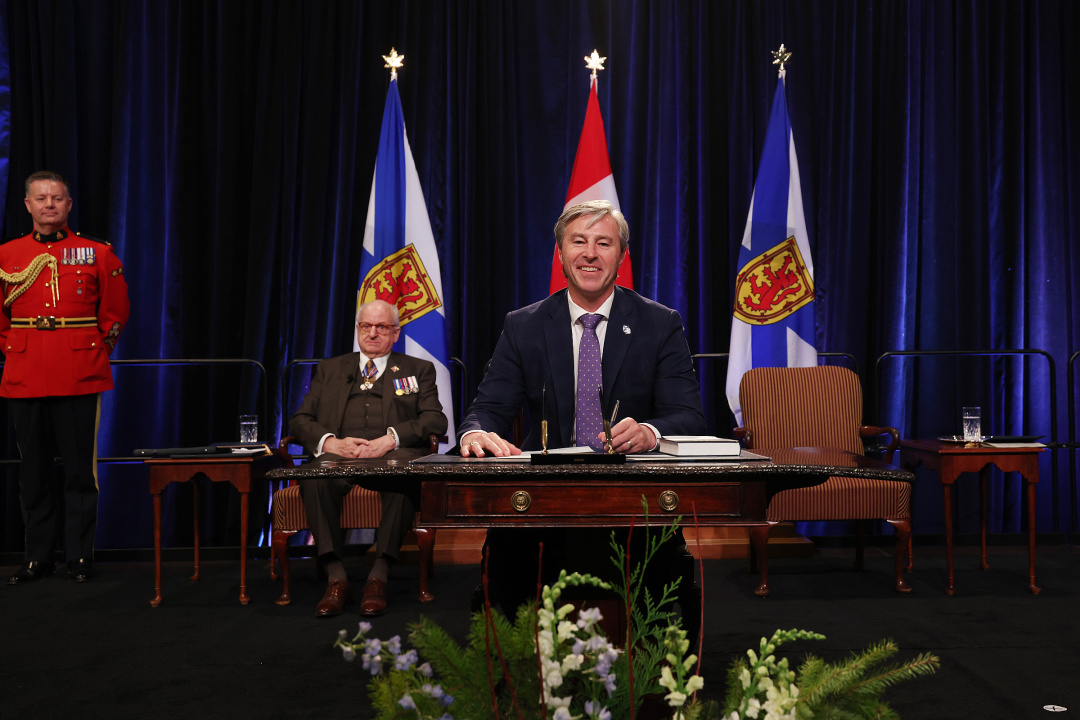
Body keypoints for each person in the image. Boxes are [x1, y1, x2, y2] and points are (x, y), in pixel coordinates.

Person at [458, 199, 707, 612]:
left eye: (603, 243)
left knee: (661, 586)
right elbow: (489, 407)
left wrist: (649, 432)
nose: (590, 253)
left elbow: (690, 417)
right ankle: (522, 671)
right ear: (560, 255)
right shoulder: (523, 325)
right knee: (506, 566)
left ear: (621, 257)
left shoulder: (660, 323)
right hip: (545, 502)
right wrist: (476, 432)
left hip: (634, 502)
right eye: (578, 242)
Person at [1, 171, 130, 585]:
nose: (49, 204)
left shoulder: (96, 253)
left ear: (69, 204)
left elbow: (114, 313)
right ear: (28, 205)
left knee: (79, 471)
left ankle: (79, 557)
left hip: (79, 372)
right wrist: (14, 351)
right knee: (32, 471)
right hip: (25, 372)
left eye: (57, 197)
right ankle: (38, 557)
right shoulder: (7, 255)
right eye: (41, 198)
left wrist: (93, 354)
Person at [289, 299, 447, 617]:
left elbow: (435, 421)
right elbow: (300, 420)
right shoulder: (330, 369)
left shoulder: (419, 369)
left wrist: (391, 439)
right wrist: (330, 441)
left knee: (404, 479)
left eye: (381, 327)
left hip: (392, 457)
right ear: (358, 329)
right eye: (366, 326)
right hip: (339, 457)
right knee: (314, 479)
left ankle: (378, 575)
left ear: (396, 333)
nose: (372, 333)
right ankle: (337, 577)